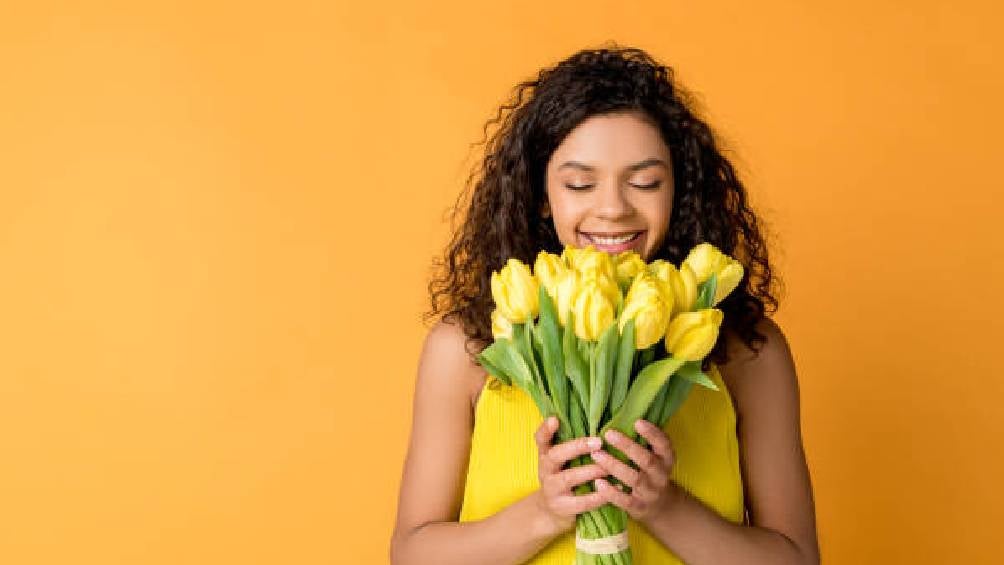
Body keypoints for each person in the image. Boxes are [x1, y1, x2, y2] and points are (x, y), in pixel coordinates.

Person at [390, 44, 820, 565]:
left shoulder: (746, 351)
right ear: (541, 196)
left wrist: (663, 506)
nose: (613, 209)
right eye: (580, 183)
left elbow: (797, 559)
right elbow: (412, 555)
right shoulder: (465, 349)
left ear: (679, 190)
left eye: (645, 182)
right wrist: (547, 511)